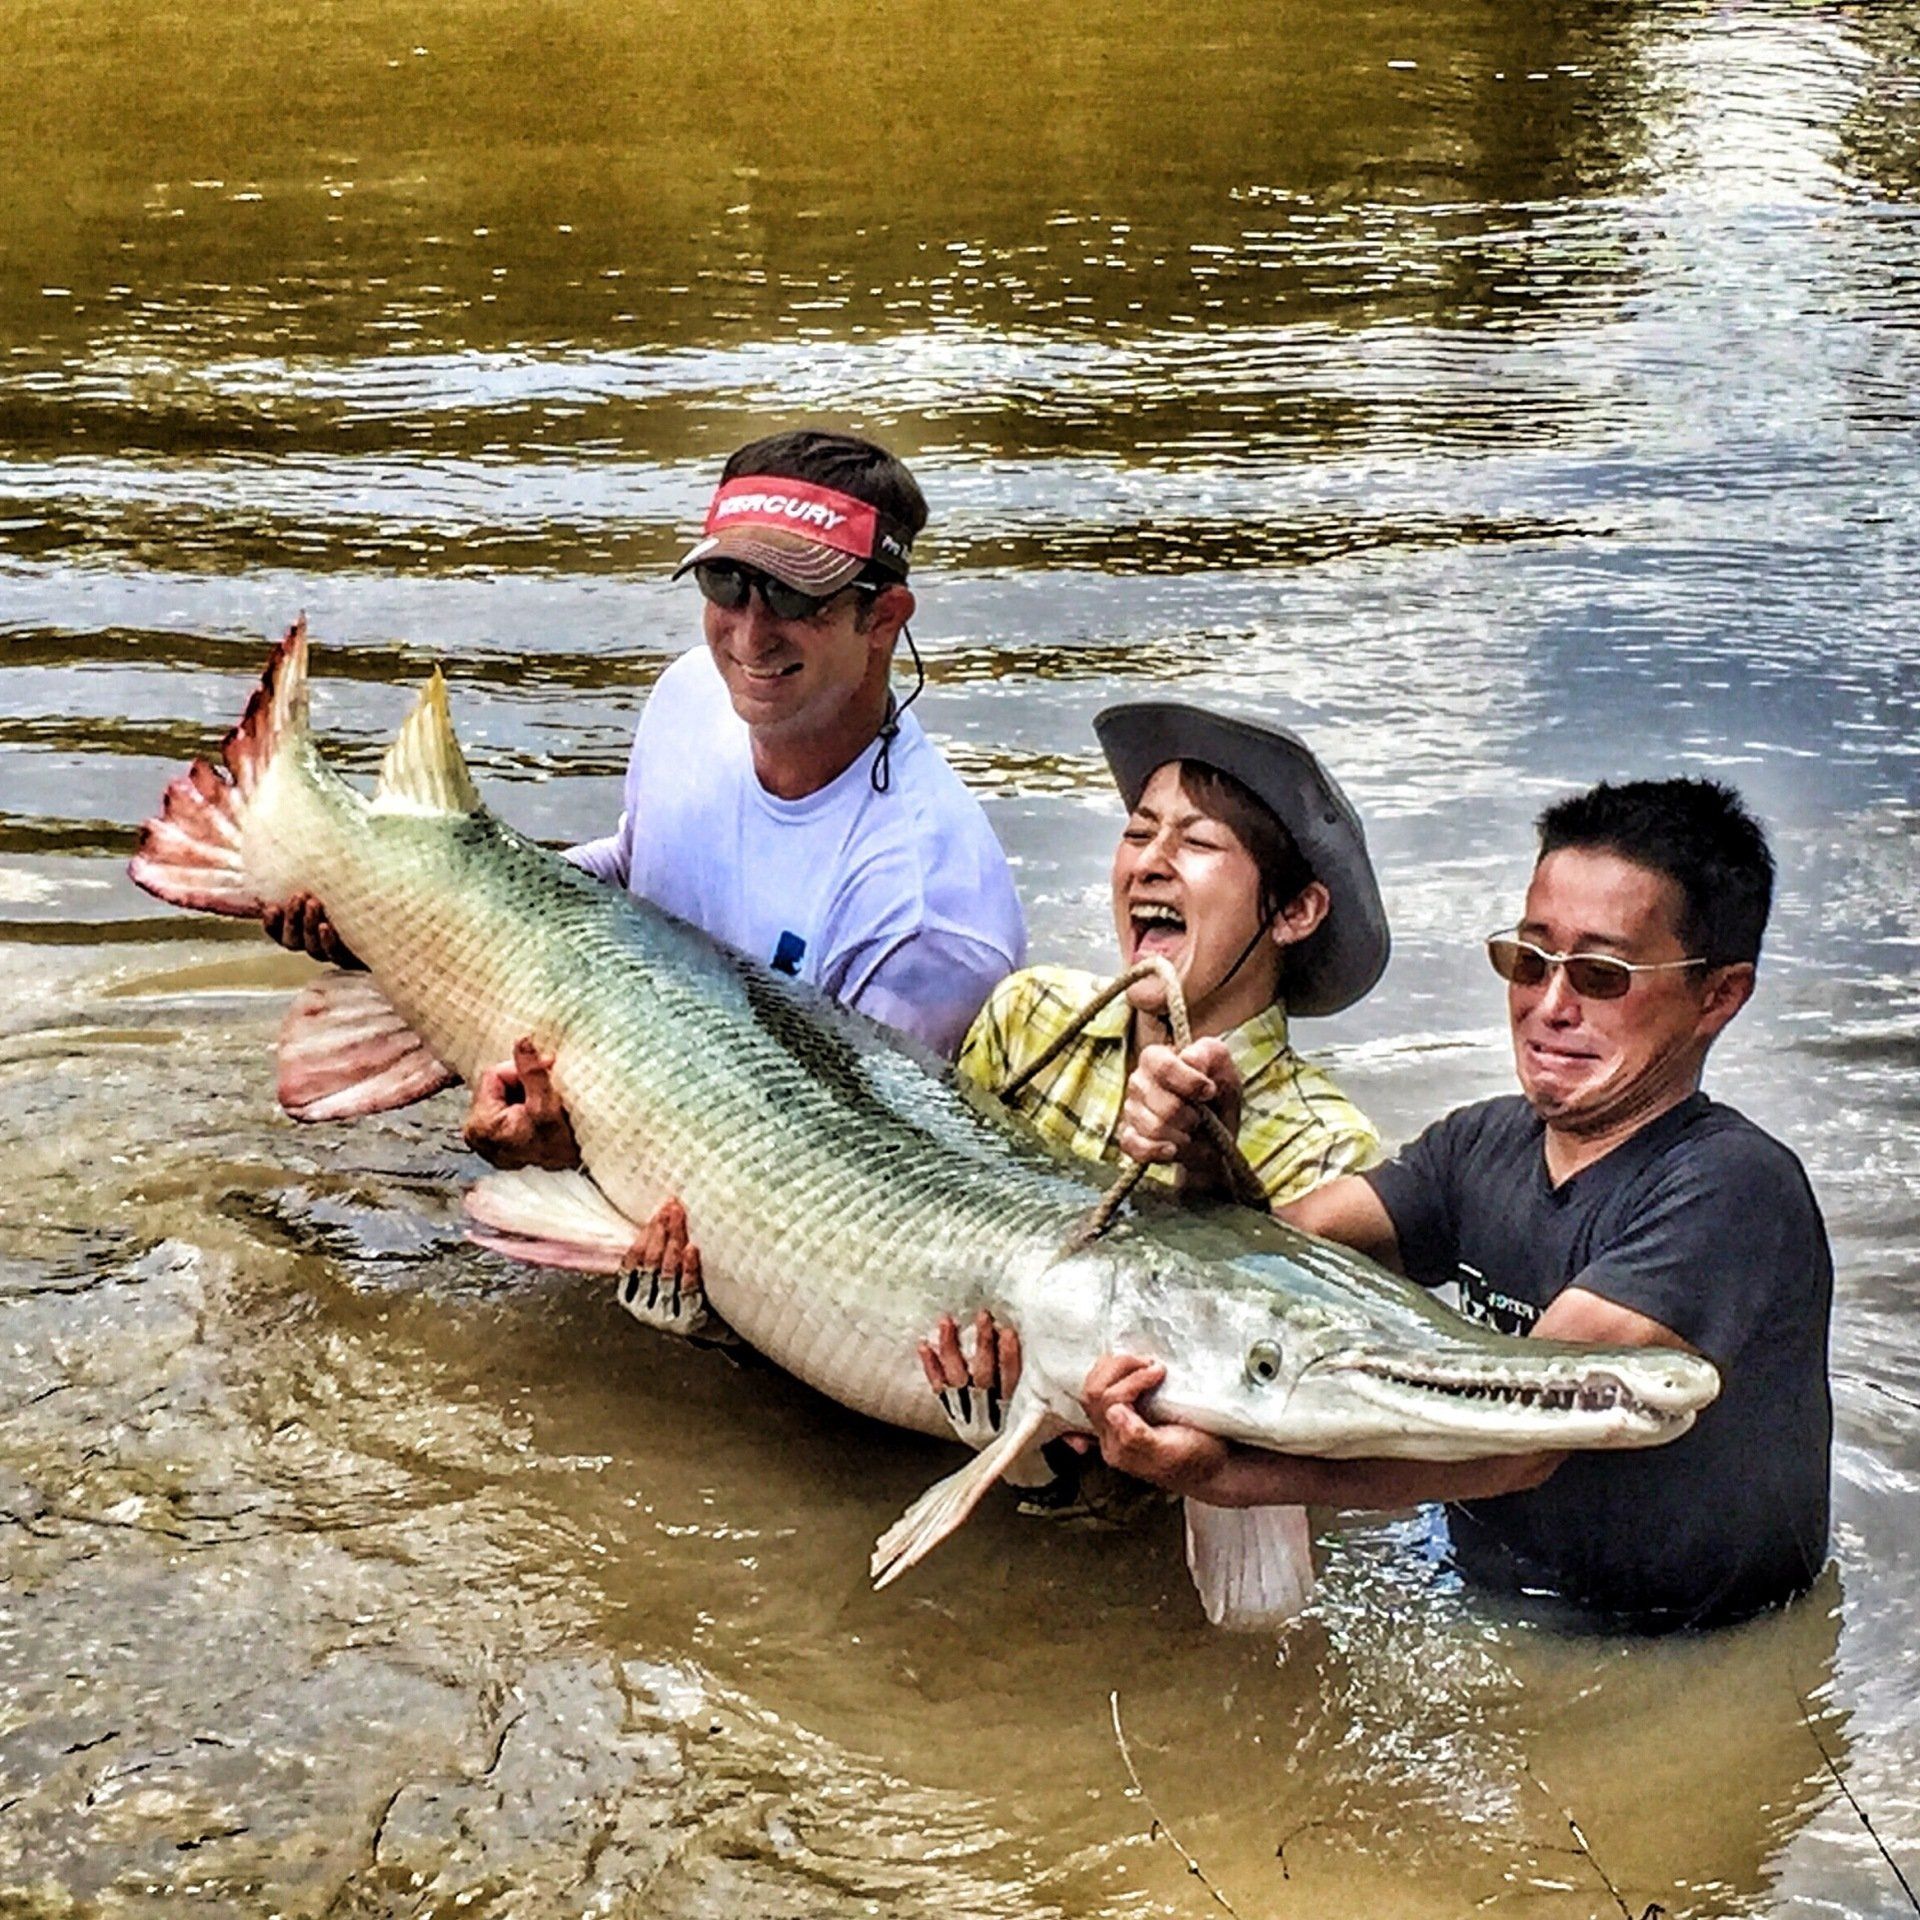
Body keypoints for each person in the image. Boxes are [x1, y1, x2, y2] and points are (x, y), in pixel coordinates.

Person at [1091, 777, 1832, 1632]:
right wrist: (1206, 1147)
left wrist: (1226, 1474)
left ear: (1720, 995)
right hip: (1482, 1591)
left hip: (1680, 1644)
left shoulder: (1735, 1189)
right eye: (1529, 957)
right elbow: (1267, 1260)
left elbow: (1524, 1435)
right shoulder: (1480, 1145)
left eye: (1601, 973)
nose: (1549, 1007)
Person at [268, 429, 1027, 1183]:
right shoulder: (694, 692)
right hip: (623, 1095)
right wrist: (404, 926)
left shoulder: (927, 923)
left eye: (797, 595)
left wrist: (583, 1153)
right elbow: (637, 864)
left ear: (885, 617)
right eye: (726, 584)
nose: (751, 634)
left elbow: (841, 1198)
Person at [919, 701, 1388, 1453]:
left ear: (1296, 910)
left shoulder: (1328, 1153)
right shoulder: (1026, 1015)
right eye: (1138, 831)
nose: (1148, 862)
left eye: (1197, 841)